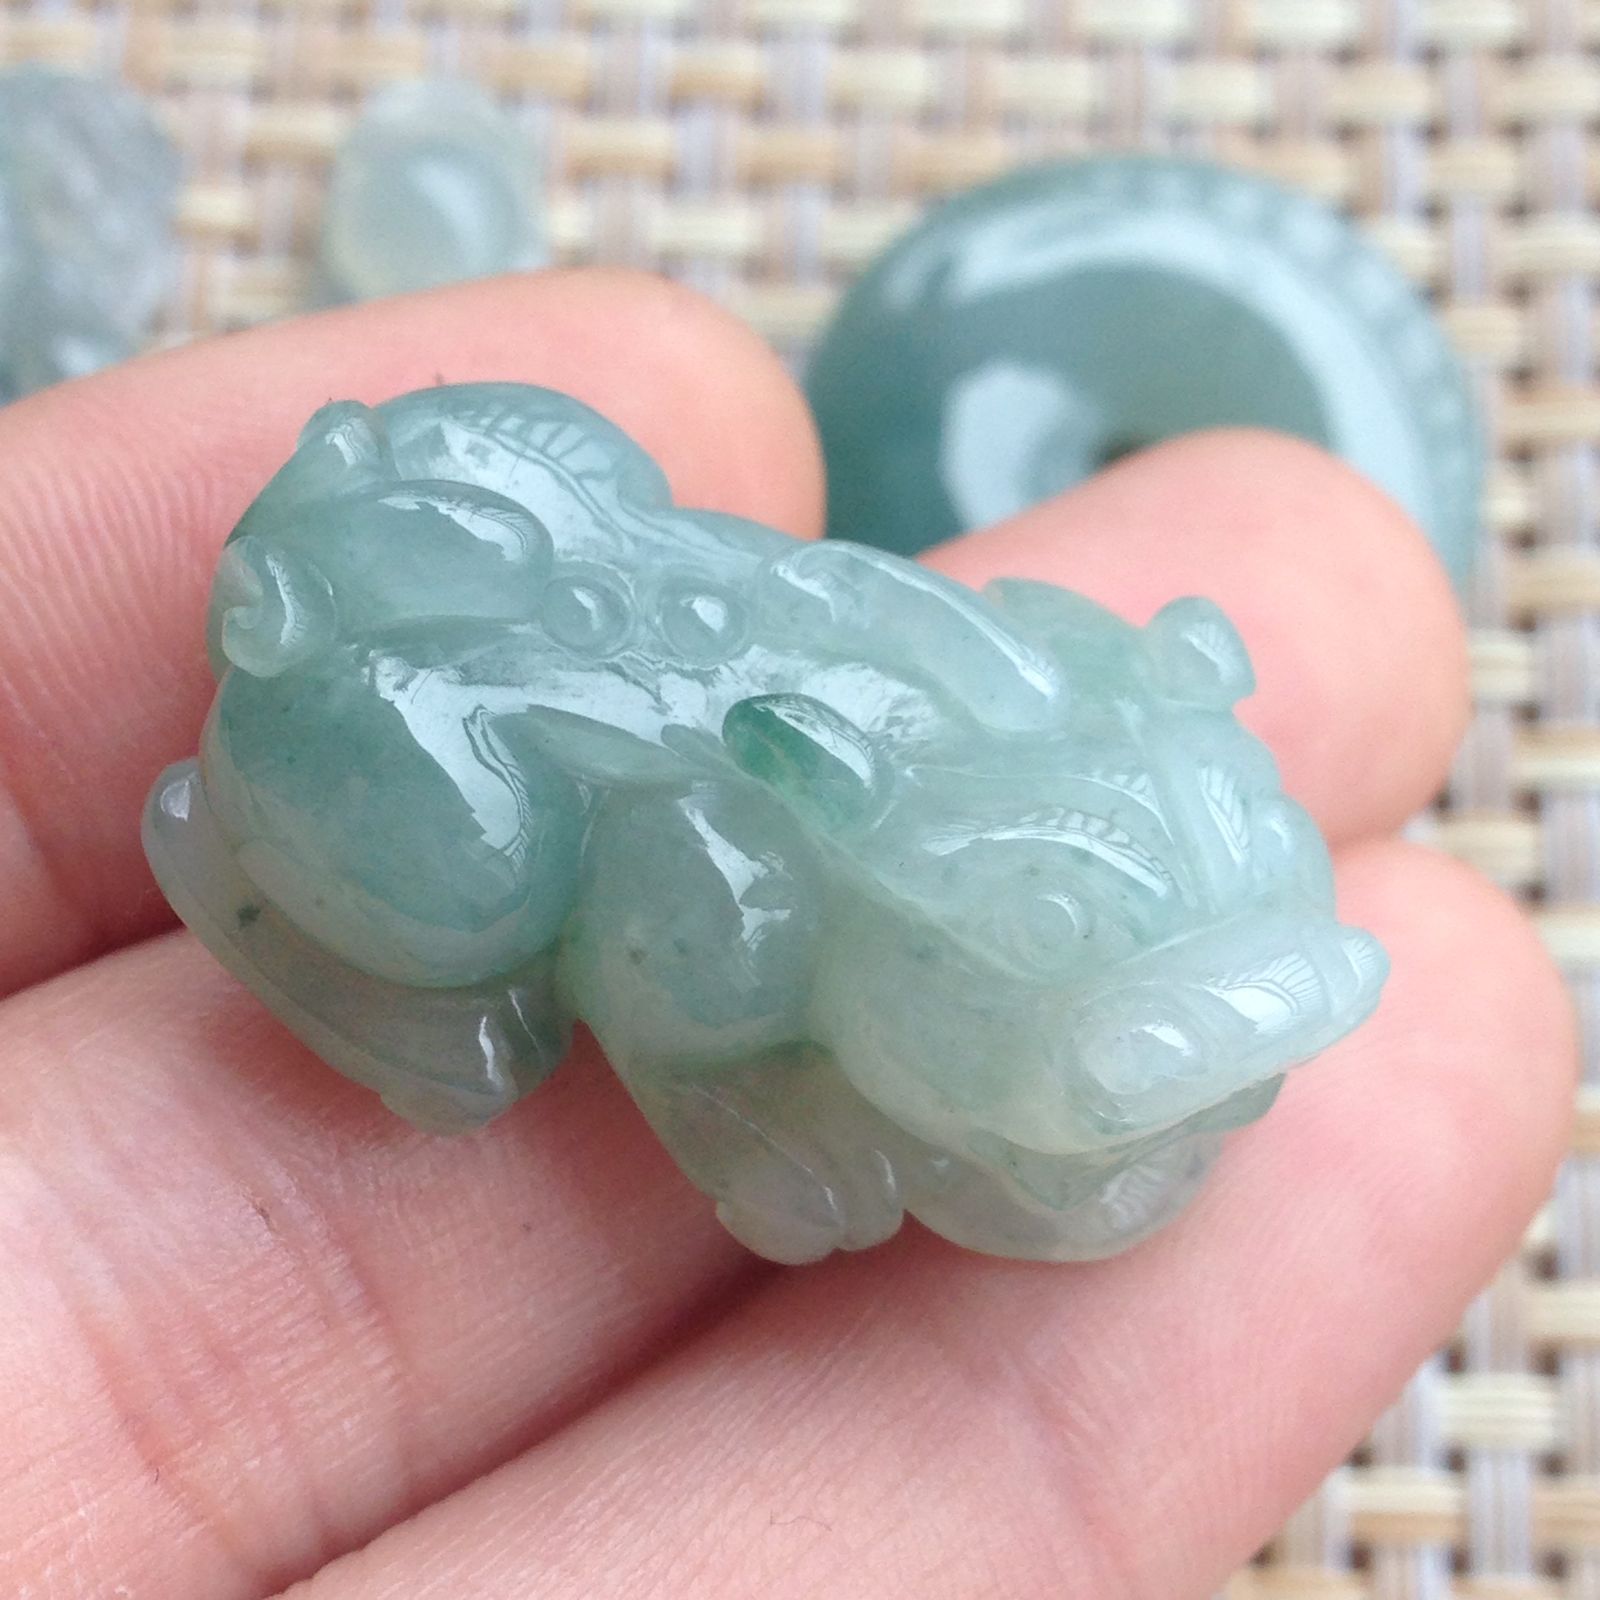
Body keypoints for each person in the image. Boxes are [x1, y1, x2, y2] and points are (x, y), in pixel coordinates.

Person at [0, 269, 1575, 1599]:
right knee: (475, 878)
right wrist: (738, 1110)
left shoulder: (1052, 688)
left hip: (545, 510)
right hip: (405, 674)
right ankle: (256, 871)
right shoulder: (740, 920)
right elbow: (667, 971)